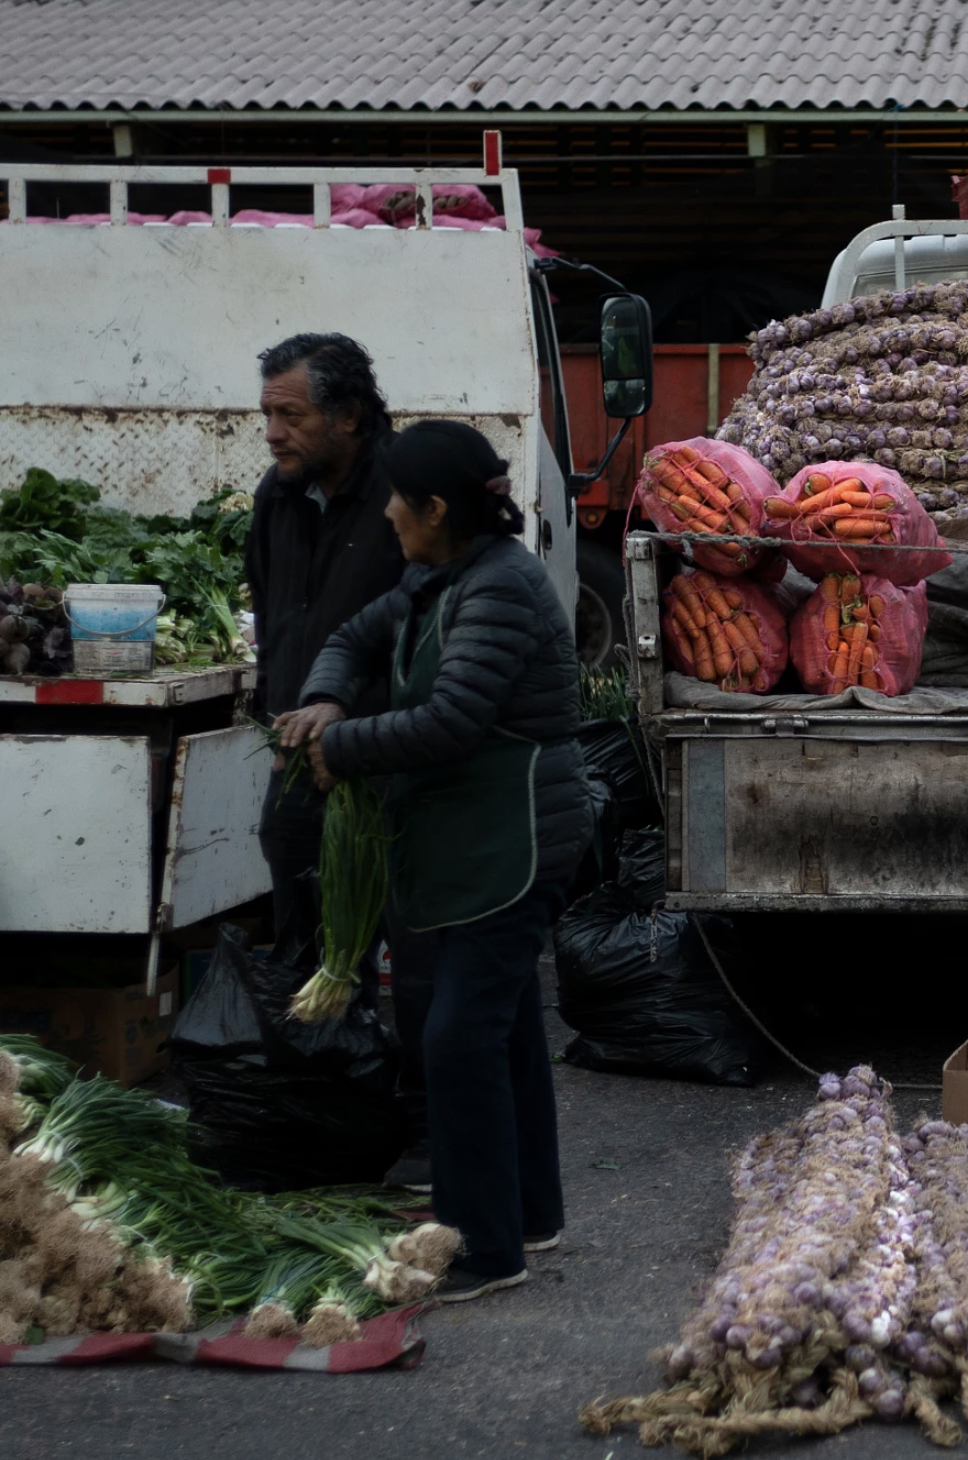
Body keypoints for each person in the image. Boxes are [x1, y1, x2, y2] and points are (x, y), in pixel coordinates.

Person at [275, 420, 588, 1302]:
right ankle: (528, 1214)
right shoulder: (434, 577)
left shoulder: (501, 591)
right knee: (504, 1022)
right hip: (472, 838)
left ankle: (484, 1248)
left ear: (437, 508)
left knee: (457, 1036)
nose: (386, 514)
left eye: (397, 501)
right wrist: (325, 698)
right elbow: (349, 638)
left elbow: (452, 721)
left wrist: (346, 747)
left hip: (519, 835)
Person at [246, 333, 438, 1191]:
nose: (273, 435)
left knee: (412, 947)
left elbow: (414, 627)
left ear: (349, 415)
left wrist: (353, 729)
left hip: (386, 762)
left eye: (290, 416)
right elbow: (274, 608)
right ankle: (327, 1115)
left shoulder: (408, 497)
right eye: (268, 416)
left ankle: (427, 1129)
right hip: (300, 756)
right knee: (310, 940)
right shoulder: (278, 497)